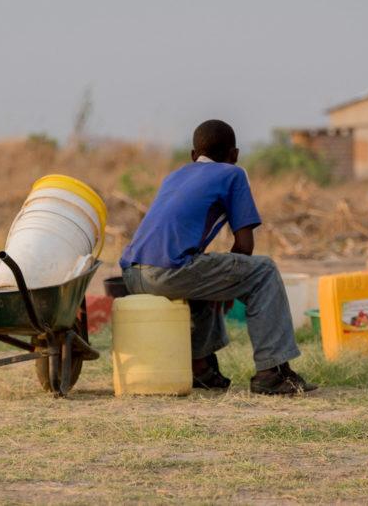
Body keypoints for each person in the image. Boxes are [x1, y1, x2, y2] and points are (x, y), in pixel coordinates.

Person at [120, 119, 316, 395]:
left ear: (193, 155)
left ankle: (201, 369)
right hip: (167, 271)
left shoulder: (175, 176)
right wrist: (229, 288)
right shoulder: (232, 174)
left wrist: (223, 286)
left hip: (132, 273)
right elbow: (245, 246)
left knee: (207, 269)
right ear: (234, 155)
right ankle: (271, 372)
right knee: (263, 271)